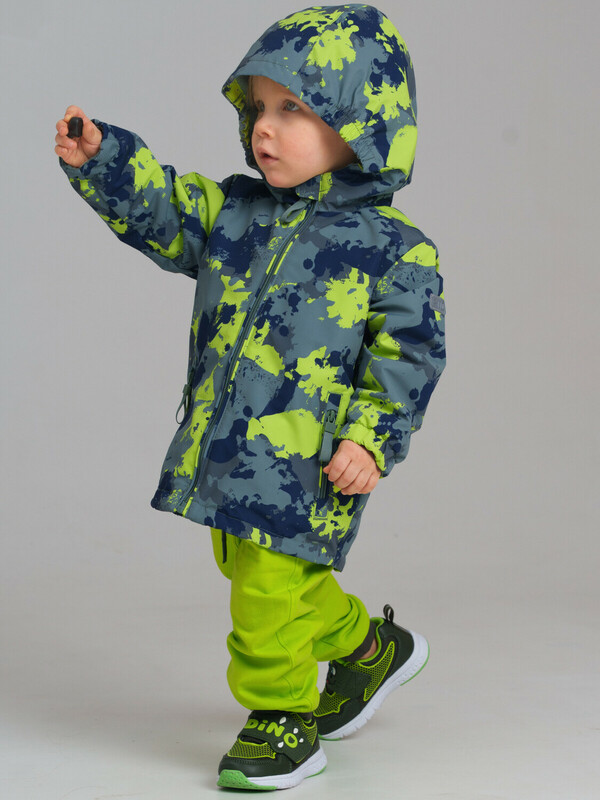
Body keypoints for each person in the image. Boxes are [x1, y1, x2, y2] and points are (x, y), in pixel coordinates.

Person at [55, 4, 446, 791]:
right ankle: (371, 650)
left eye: (294, 108)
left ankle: (282, 717)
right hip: (229, 447)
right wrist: (105, 160)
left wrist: (371, 439)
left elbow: (408, 356)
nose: (265, 128)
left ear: (359, 122)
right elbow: (166, 208)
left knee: (267, 589)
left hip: (312, 461)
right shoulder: (236, 214)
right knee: (264, 571)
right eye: (259, 107)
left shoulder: (394, 253)